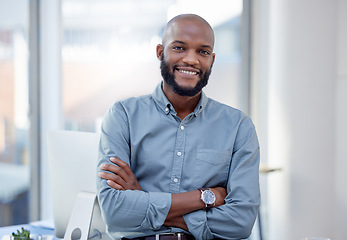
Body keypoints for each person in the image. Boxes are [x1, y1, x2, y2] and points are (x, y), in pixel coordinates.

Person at [97, 14, 260, 240]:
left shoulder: (238, 127)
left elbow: (240, 222)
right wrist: (204, 197)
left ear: (212, 60)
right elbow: (115, 212)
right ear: (160, 52)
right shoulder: (123, 115)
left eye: (202, 52)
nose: (191, 59)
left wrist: (142, 200)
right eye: (179, 47)